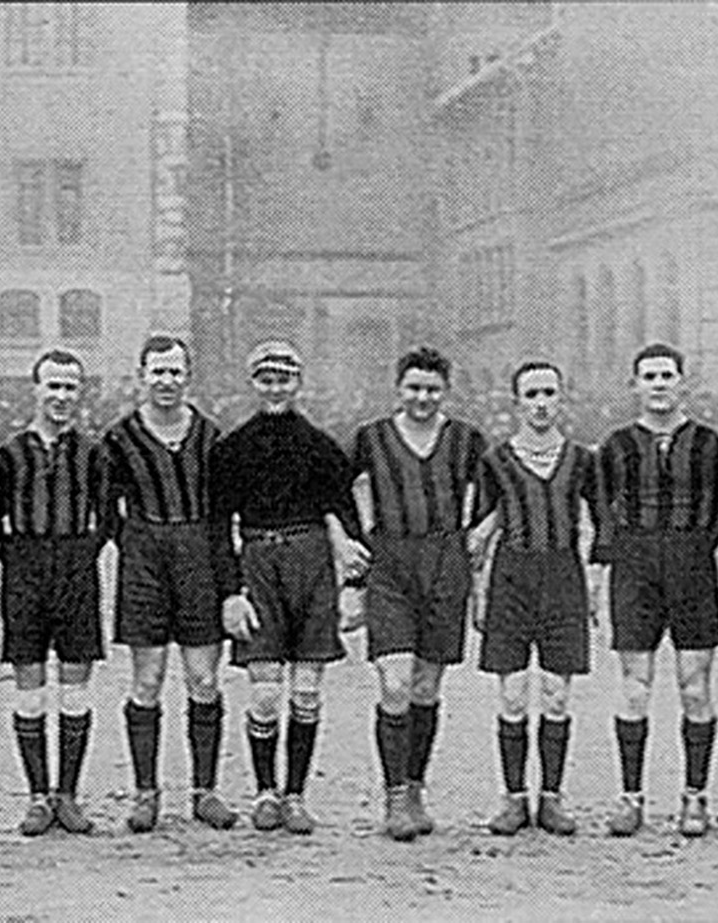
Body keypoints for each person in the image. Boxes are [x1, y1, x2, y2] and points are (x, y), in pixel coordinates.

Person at [210, 341, 367, 835]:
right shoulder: (232, 448)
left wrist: (353, 584)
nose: (275, 388)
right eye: (266, 379)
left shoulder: (321, 446)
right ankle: (264, 792)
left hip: (311, 563)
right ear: (253, 383)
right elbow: (218, 527)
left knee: (306, 689)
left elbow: (345, 516)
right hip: (258, 563)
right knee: (263, 692)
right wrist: (231, 592)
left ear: (298, 383)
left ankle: (296, 794)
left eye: (284, 379)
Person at [349, 346, 488, 841]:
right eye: (413, 388)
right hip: (390, 562)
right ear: (398, 389)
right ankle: (393, 796)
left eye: (432, 389)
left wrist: (480, 533)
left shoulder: (466, 439)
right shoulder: (371, 438)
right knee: (395, 683)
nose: (423, 398)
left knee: (427, 687)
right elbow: (342, 494)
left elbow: (497, 492)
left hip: (445, 562)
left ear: (445, 391)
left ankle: (414, 789)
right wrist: (352, 551)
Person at [102, 334, 238, 832]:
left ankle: (205, 791)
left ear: (188, 377)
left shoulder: (210, 436)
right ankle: (146, 793)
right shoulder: (119, 438)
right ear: (142, 375)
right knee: (147, 680)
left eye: (175, 372)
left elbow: (223, 516)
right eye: (158, 372)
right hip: (145, 562)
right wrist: (137, 543)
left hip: (199, 557)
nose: (166, 381)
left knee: (204, 679)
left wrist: (228, 582)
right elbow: (105, 511)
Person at [595, 343, 718, 838]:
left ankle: (694, 798)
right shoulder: (615, 444)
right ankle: (631, 798)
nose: (658, 384)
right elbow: (602, 509)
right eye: (649, 376)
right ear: (635, 384)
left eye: (666, 375)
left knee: (695, 685)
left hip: (692, 567)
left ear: (681, 382)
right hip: (634, 569)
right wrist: (617, 557)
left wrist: (694, 548)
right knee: (636, 685)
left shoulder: (709, 442)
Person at [470, 361, 604, 837]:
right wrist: (480, 596)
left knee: (556, 694)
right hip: (512, 578)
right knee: (511, 694)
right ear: (517, 402)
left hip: (563, 577)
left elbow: (601, 524)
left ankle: (551, 799)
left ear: (562, 398)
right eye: (531, 394)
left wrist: (594, 584)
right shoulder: (496, 460)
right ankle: (512, 800)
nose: (541, 403)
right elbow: (479, 533)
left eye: (549, 392)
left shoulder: (582, 459)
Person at [0, 349, 108, 836]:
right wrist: (20, 560)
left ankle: (68, 795)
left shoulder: (93, 452)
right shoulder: (8, 454)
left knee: (76, 683)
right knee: (30, 684)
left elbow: (108, 517)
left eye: (70, 387)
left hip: (77, 568)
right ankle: (38, 796)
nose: (61, 396)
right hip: (25, 568)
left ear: (80, 392)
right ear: (35, 389)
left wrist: (81, 555)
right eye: (53, 385)